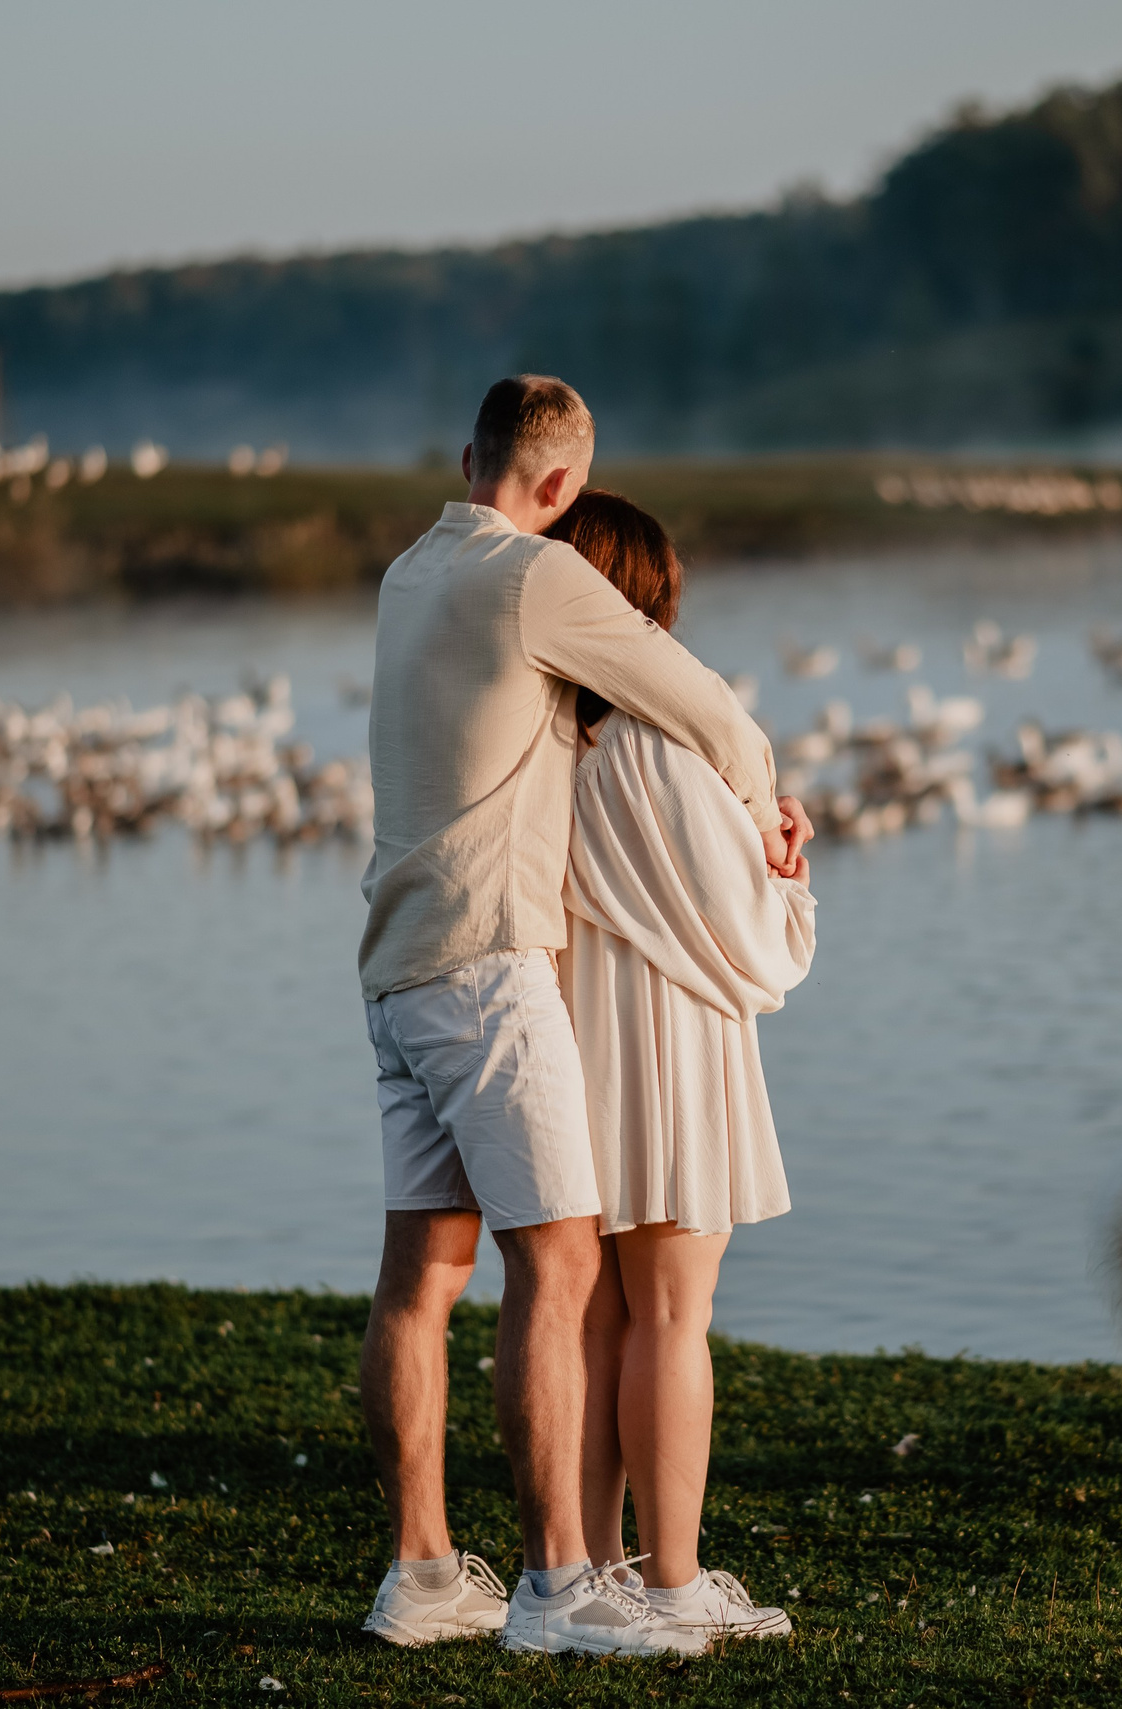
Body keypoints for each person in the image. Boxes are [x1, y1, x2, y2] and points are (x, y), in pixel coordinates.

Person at [352, 376, 812, 1657]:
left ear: (468, 456)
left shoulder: (406, 574)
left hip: (394, 965)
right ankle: (563, 1586)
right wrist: (770, 805)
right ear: (555, 487)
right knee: (559, 1266)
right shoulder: (533, 575)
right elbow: (707, 704)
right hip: (490, 968)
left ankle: (424, 1573)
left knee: (418, 1281)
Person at [545, 493, 816, 1643]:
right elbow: (754, 941)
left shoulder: (541, 739)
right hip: (669, 1047)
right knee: (669, 1316)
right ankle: (673, 1581)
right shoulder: (668, 751)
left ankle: (599, 1569)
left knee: (600, 1318)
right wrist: (792, 872)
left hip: (571, 1042)